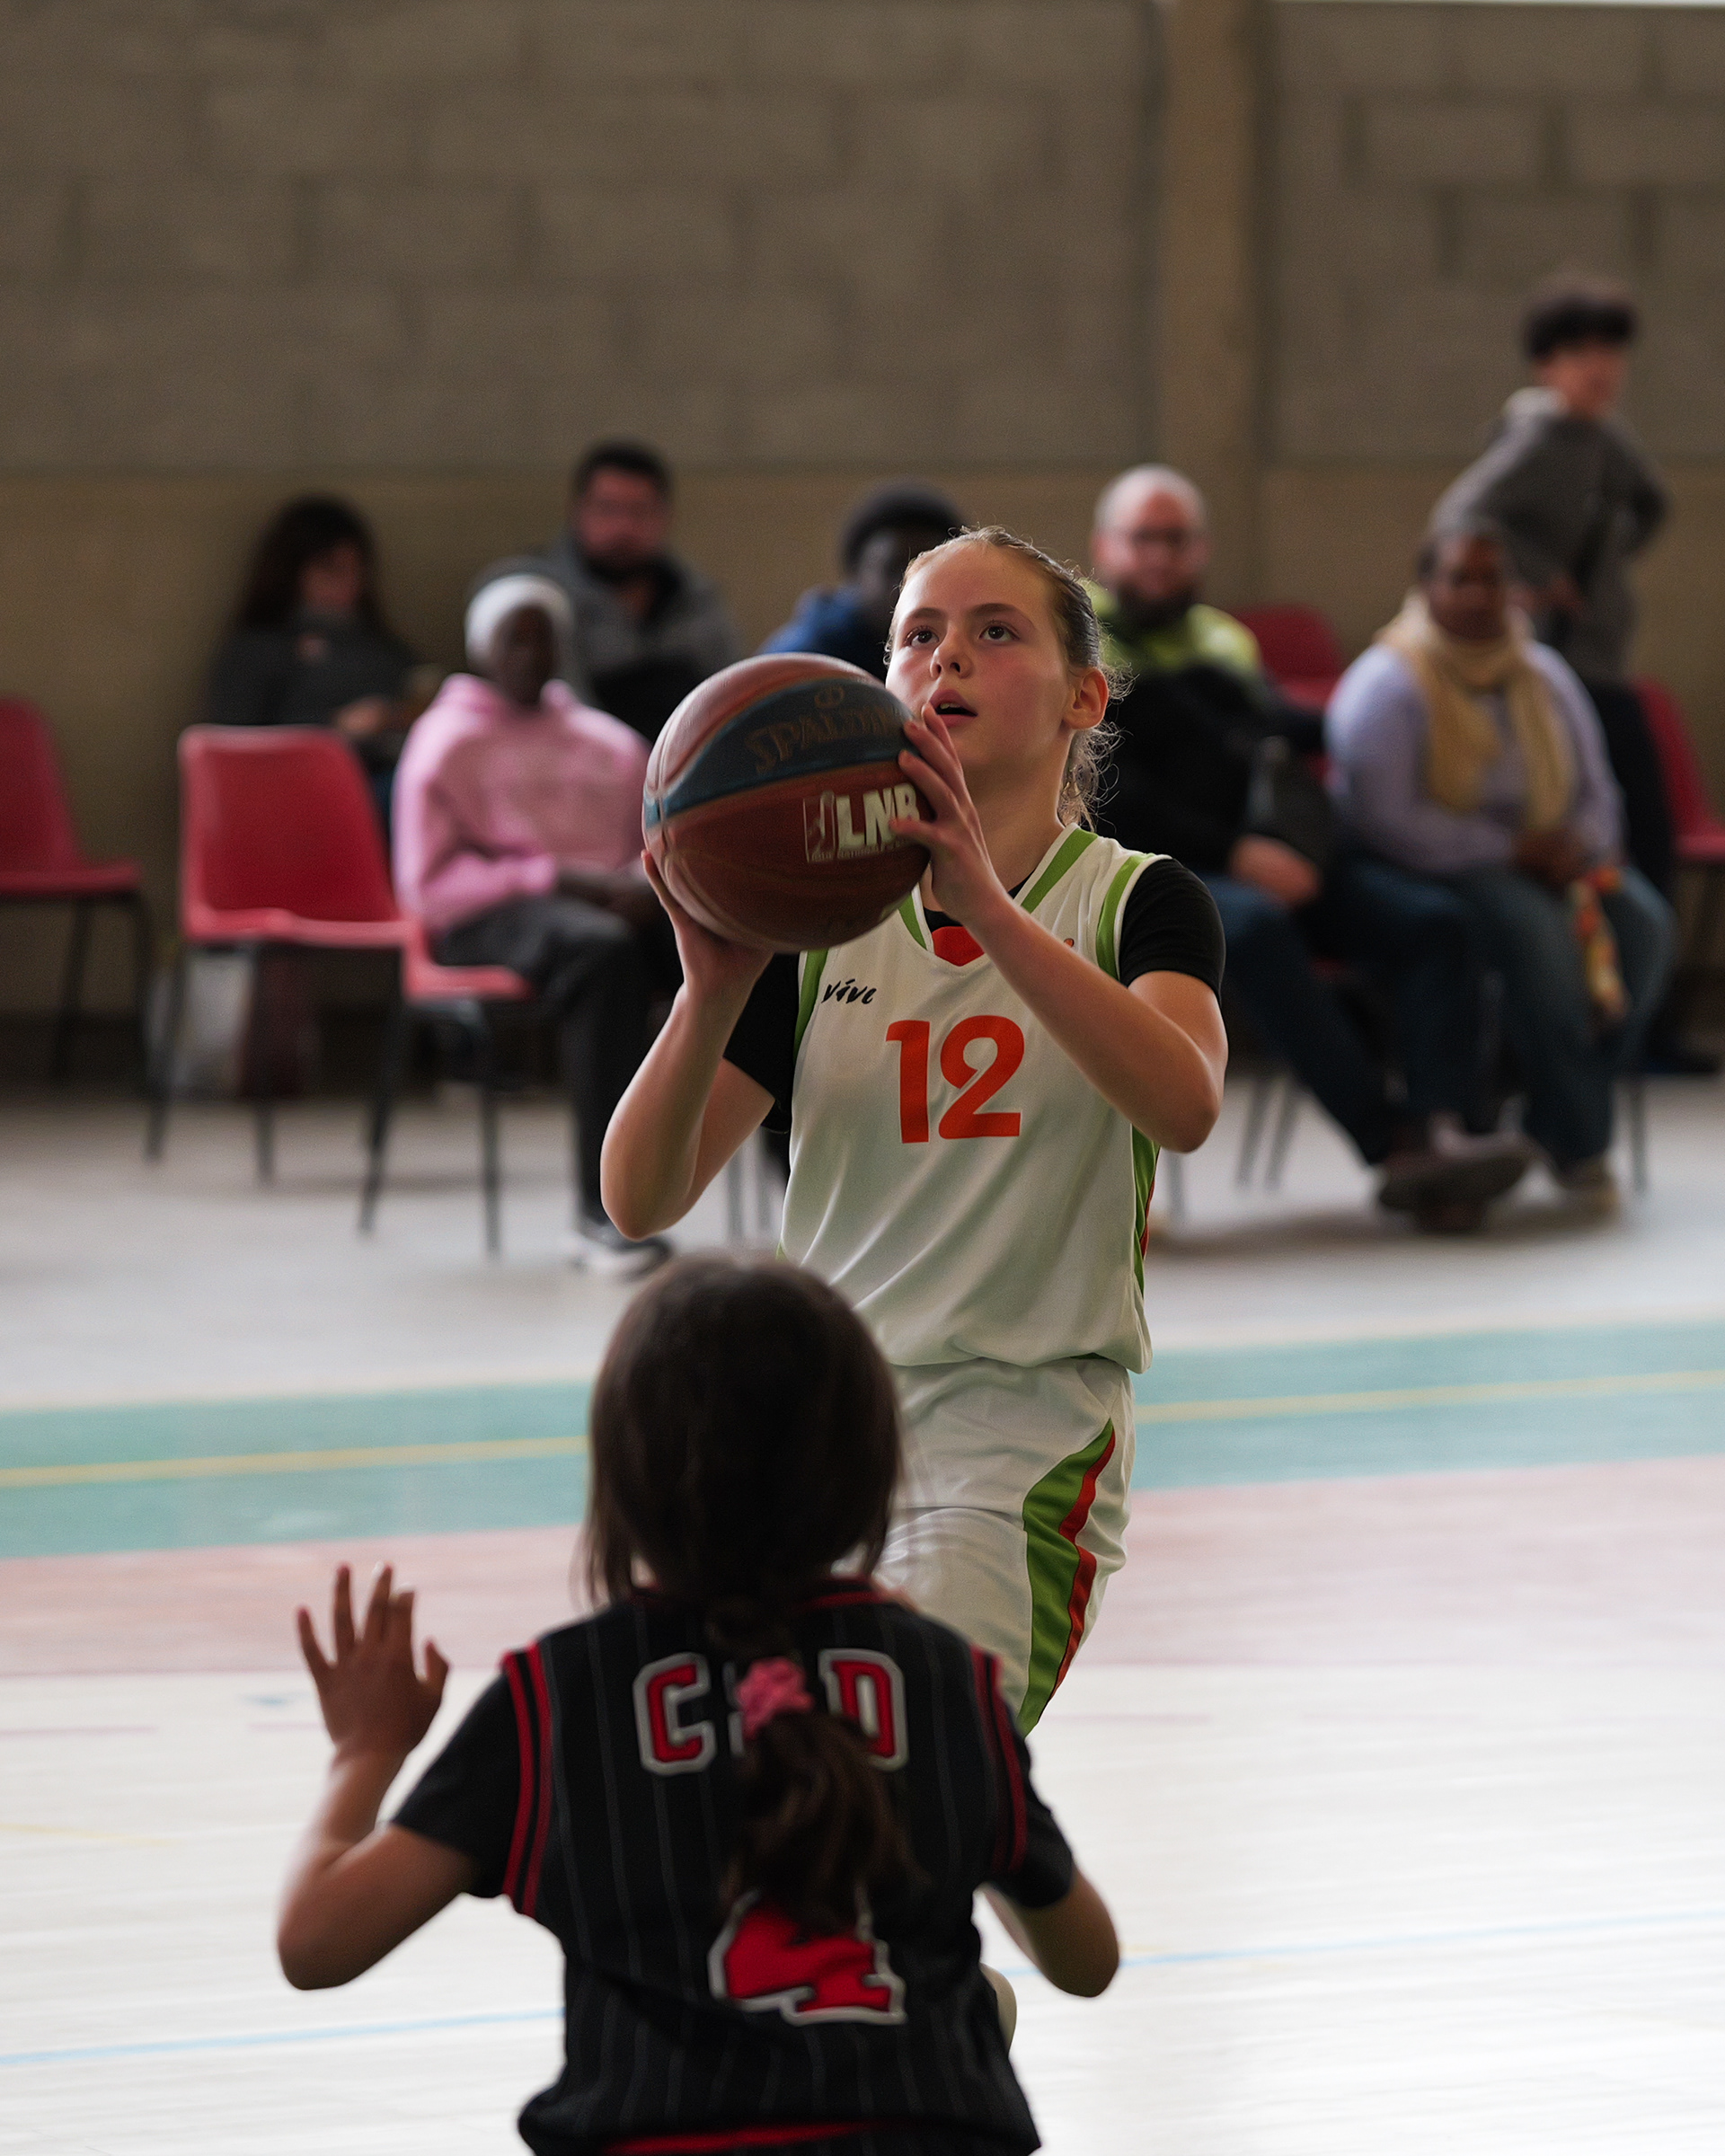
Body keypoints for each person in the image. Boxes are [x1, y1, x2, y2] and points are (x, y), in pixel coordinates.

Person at [279, 1256, 1118, 2156]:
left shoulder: (562, 1696)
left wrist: (365, 1751)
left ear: (620, 1482)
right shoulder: (938, 1679)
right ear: (871, 1471)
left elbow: (317, 1943)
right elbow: (1087, 1961)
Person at [604, 526, 1228, 1728]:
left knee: (899, 1755)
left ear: (1083, 697)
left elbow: (1185, 1103)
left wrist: (987, 910)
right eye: (919, 636)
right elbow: (638, 1197)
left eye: (997, 632)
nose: (949, 658)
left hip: (1015, 1434)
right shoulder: (815, 928)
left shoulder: (1136, 900)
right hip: (815, 1424)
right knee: (770, 1779)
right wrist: (710, 992)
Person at [1088, 465, 1535, 1228]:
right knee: (1255, 930)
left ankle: (1445, 1132)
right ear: (1105, 548)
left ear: (1201, 550)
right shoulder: (1078, 639)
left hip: (1273, 850)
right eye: (1143, 539)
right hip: (1157, 866)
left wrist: (1400, 692)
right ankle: (1393, 1145)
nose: (1159, 556)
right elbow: (1112, 794)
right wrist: (1236, 854)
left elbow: (1276, 731)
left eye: (1176, 540)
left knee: (1434, 922)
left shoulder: (1222, 639)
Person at [1327, 522, 1674, 1202]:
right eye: (1460, 578)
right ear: (1427, 587)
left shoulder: (1543, 674)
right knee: (1540, 939)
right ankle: (1579, 1141)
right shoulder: (1388, 683)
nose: (1479, 595)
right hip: (1444, 867)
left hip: (1558, 862)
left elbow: (1599, 790)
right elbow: (1386, 819)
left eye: (1493, 579)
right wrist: (1508, 850)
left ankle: (1546, 1109)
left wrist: (1580, 847)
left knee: (1646, 926)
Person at [1431, 274, 1712, 1075]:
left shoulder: (1605, 437)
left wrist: (1607, 561)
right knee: (1604, 840)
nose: (1600, 368)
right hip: (1555, 671)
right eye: (1581, 352)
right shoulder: (1538, 435)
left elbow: (1653, 502)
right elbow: (1460, 519)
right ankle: (1581, 1025)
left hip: (1603, 660)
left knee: (1646, 838)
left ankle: (1642, 1021)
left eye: (1612, 352)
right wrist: (1530, 574)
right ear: (1547, 364)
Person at [393, 570, 677, 1275]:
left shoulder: (607, 742)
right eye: (512, 638)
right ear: (481, 648)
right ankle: (603, 1214)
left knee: (745, 936)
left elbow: (658, 839)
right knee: (602, 956)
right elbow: (429, 884)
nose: (528, 653)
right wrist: (551, 878)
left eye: (542, 638)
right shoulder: (445, 743)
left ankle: (800, 1180)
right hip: (490, 914)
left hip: (615, 904)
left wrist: (643, 883)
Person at [207, 495, 429, 815]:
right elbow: (232, 747)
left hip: (385, 778)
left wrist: (400, 715)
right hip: (296, 797)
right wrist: (337, 729)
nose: (348, 583)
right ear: (292, 571)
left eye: (357, 569)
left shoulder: (378, 645)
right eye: (331, 569)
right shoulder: (258, 650)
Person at [536, 439, 740, 741]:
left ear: (665, 516)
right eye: (607, 509)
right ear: (578, 511)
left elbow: (732, 697)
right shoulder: (542, 601)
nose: (623, 528)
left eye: (639, 511)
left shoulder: (697, 598)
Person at [761, 482, 964, 678]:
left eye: (928, 572)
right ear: (855, 573)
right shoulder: (801, 662)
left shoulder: (959, 652)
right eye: (894, 568)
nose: (910, 586)